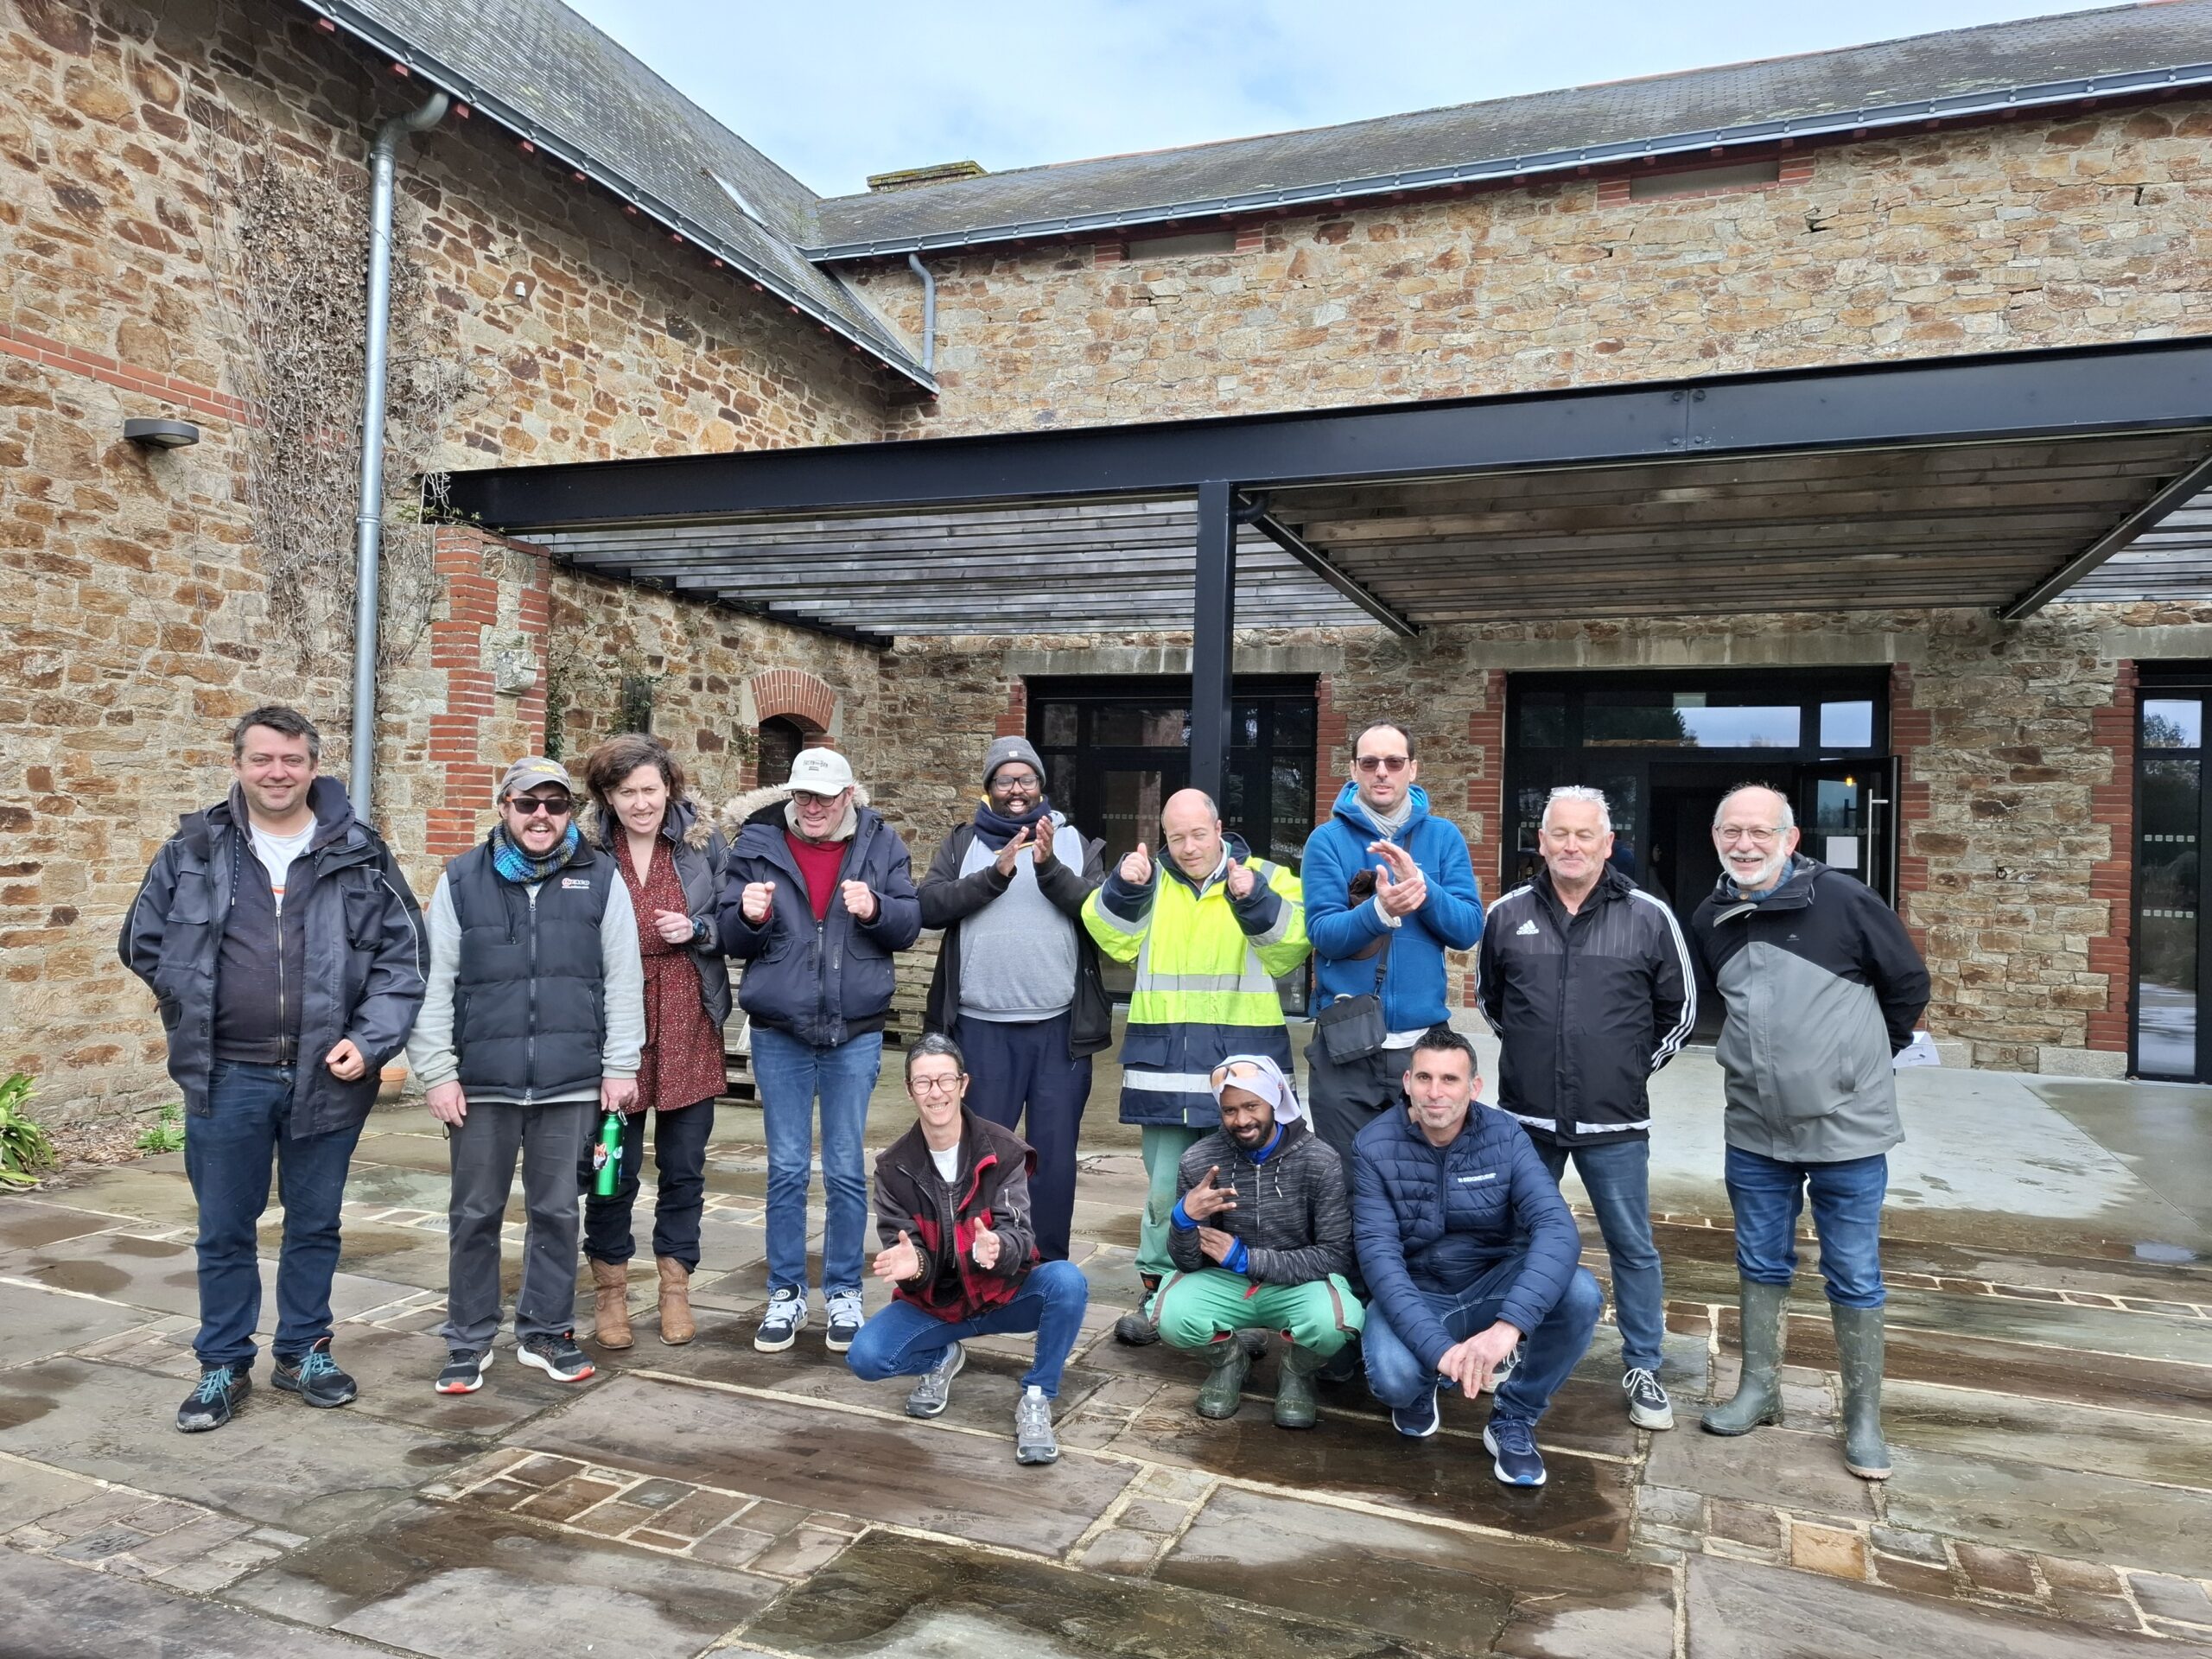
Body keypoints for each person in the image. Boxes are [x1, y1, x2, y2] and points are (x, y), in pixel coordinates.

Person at [121, 706, 425, 1433]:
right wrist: (190, 1003)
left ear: (313, 767)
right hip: (225, 1074)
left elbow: (405, 957)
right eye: (262, 759)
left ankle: (302, 1352)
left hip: (330, 1075)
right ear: (238, 765)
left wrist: (371, 1039)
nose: (277, 772)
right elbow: (141, 942)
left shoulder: (359, 852)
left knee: (315, 1224)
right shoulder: (193, 851)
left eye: (292, 759)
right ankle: (223, 1364)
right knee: (225, 1228)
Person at [1692, 784, 1929, 1482]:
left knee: (1853, 1271)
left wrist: (1862, 1060)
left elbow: (1907, 985)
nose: (1745, 844)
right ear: (1716, 839)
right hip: (1753, 1125)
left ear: (1790, 839)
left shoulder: (1846, 901)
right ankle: (1759, 1391)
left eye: (1760, 832)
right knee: (1760, 1262)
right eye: (1731, 831)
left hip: (1848, 1129)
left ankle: (1862, 1418)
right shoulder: (1711, 916)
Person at [408, 756, 644, 1395]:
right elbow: (434, 982)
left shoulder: (601, 877)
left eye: (556, 804)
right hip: (481, 1082)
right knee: (474, 1212)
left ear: (569, 812)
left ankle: (546, 1331)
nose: (542, 815)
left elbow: (624, 978)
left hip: (570, 1080)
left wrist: (621, 1065)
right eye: (528, 803)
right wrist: (437, 1072)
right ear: (504, 807)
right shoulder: (462, 878)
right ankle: (468, 1337)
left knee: (557, 1211)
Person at [1478, 785, 1694, 1431]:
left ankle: (1644, 1365)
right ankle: (1511, 1342)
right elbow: (1493, 1001)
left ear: (1608, 843)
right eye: (1560, 834)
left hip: (1614, 1120)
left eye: (1584, 835)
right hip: (1527, 1119)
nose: (1571, 846)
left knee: (1632, 1245)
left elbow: (1681, 1011)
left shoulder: (1649, 915)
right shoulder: (1506, 914)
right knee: (1518, 1238)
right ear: (1541, 842)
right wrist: (1533, 1056)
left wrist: (1627, 1070)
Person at [1083, 788, 1308, 1344]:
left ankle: (1244, 1303)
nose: (1187, 848)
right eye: (1176, 837)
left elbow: (1294, 946)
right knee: (1166, 1191)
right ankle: (1159, 1291)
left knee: (1249, 1192)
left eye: (1198, 835)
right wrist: (1123, 888)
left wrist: (1252, 899)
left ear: (1220, 828)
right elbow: (1109, 939)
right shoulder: (1149, 881)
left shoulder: (1268, 876)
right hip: (1166, 1071)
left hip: (1241, 1074)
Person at [719, 747, 920, 1355]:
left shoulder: (881, 843)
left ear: (848, 795)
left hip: (853, 1031)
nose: (812, 808)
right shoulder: (756, 844)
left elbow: (908, 924)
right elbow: (729, 934)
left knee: (845, 1168)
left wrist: (876, 909)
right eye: (803, 795)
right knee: (785, 1168)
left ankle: (843, 1292)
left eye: (825, 798)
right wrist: (748, 919)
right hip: (778, 1030)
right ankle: (784, 1292)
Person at [1353, 1027, 1601, 1488]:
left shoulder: (1505, 1136)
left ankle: (1514, 1417)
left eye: (1450, 1079)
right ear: (1407, 1082)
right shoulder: (1373, 1146)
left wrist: (1510, 1327)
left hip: (1493, 1282)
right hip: (1420, 1291)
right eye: (1424, 1078)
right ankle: (1427, 1383)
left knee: (1581, 1292)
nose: (1435, 1092)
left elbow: (1556, 1228)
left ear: (1474, 1087)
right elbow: (1380, 1260)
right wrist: (1441, 1352)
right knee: (1394, 1380)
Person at [845, 1033, 1087, 1465]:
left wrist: (1000, 1247)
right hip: (938, 1305)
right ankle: (942, 1355)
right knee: (866, 1357)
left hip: (1002, 1295)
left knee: (1066, 1281)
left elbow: (1020, 1232)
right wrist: (915, 1265)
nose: (935, 1092)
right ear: (909, 1090)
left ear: (963, 1084)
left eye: (945, 1080)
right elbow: (903, 1245)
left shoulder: (1004, 1150)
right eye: (923, 1082)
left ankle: (1037, 1396)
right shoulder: (893, 1168)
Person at [918, 735, 1107, 1262]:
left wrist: (1049, 869)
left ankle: (1047, 1268)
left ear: (1041, 785)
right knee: (981, 1160)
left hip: (1059, 1031)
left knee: (1054, 1160)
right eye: (1005, 780)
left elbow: (1101, 915)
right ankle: (980, 1262)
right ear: (989, 788)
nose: (1016, 789)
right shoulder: (963, 844)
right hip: (979, 1030)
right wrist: (994, 875)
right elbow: (928, 905)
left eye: (1026, 779)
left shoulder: (1074, 842)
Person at [575, 734, 730, 1351]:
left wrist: (698, 928)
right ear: (606, 797)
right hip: (614, 1022)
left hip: (688, 1014)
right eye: (626, 792)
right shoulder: (585, 849)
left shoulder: (701, 844)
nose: (641, 803)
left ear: (670, 788)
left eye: (650, 789)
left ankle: (674, 1287)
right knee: (611, 1165)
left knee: (684, 1166)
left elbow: (736, 921)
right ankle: (611, 1291)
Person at [1301, 721, 1484, 1179]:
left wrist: (1421, 888)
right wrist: (1379, 911)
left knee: (1424, 1178)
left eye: (1394, 762)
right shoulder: (1327, 840)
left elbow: (1467, 930)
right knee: (1346, 1181)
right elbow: (1323, 934)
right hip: (1346, 1045)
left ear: (1412, 769)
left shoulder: (1444, 837)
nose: (1381, 772)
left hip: (1423, 1047)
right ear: (1353, 770)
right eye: (1369, 762)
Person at [1154, 1055, 1362, 1429]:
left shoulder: (1320, 1159)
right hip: (1226, 1282)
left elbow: (1334, 1256)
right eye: (1230, 1110)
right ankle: (1229, 1362)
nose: (1242, 1120)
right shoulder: (1199, 1160)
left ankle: (1296, 1372)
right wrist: (1183, 1220)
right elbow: (1188, 1264)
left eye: (1252, 1106)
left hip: (1295, 1282)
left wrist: (1246, 1259)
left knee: (1337, 1322)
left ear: (1275, 1099)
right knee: (1168, 1314)